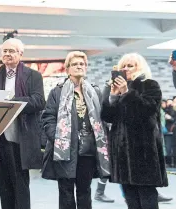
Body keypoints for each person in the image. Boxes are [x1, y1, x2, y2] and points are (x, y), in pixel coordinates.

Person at [42, 51, 110, 209]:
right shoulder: (57, 92)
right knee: (65, 192)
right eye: (75, 64)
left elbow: (103, 118)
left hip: (88, 150)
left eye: (82, 64)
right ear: (67, 69)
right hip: (65, 150)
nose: (79, 66)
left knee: (84, 191)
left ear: (86, 68)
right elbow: (48, 118)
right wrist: (58, 139)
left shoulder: (95, 91)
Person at [101, 53, 168, 209]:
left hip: (143, 152)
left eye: (130, 65)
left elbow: (147, 110)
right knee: (130, 198)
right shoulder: (116, 88)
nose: (125, 69)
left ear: (140, 67)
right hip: (121, 153)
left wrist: (126, 93)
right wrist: (112, 96)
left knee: (147, 197)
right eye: (123, 66)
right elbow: (107, 117)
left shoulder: (150, 85)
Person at [0, 38, 45, 209]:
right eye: (4, 51)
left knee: (20, 184)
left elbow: (39, 101)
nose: (7, 54)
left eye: (11, 51)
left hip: (22, 137)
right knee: (4, 185)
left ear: (20, 54)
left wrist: (13, 101)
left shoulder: (33, 76)